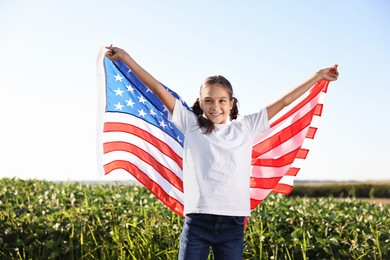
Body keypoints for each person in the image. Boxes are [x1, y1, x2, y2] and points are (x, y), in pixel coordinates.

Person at [105, 45, 339, 260]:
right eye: (209, 101)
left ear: (231, 103)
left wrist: (318, 76)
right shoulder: (191, 124)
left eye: (221, 101)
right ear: (201, 102)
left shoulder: (247, 126)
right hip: (198, 221)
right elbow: (156, 88)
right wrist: (126, 58)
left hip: (233, 223)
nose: (215, 107)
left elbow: (285, 101)